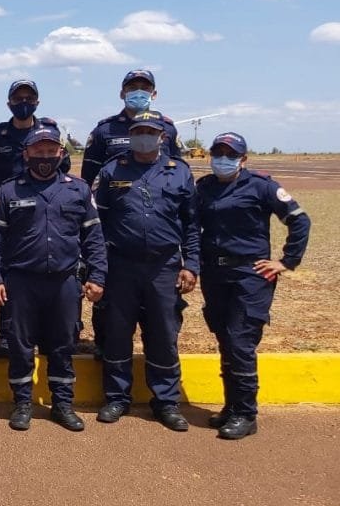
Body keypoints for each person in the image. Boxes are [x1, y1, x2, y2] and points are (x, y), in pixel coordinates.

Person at [0, 127, 107, 432]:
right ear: (26, 154)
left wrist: (98, 275)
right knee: (20, 345)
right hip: (21, 282)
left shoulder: (78, 190)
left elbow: (93, 238)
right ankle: (23, 403)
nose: (44, 157)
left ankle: (62, 404)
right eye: (37, 151)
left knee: (63, 344)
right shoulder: (9, 191)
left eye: (51, 151)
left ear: (61, 154)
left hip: (64, 282)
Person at [195, 132, 311, 439]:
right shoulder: (204, 188)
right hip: (215, 274)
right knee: (224, 339)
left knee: (240, 341)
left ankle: (247, 414)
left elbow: (300, 220)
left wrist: (286, 261)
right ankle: (232, 407)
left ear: (243, 159)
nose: (223, 158)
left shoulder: (262, 185)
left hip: (251, 275)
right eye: (218, 152)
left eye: (230, 154)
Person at [94, 112, 199, 431]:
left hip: (164, 267)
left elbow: (192, 224)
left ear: (162, 137)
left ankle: (166, 401)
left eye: (150, 132)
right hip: (120, 265)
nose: (144, 136)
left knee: (164, 335)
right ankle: (116, 397)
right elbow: (96, 224)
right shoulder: (112, 170)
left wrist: (192, 264)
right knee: (116, 334)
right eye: (138, 131)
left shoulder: (179, 172)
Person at [80, 69, 184, 361]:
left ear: (154, 93)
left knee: (162, 322)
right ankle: (105, 354)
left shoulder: (168, 128)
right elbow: (90, 179)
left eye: (144, 87)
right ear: (122, 92)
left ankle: (162, 389)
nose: (138, 91)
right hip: (116, 232)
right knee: (111, 311)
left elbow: (176, 175)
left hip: (158, 234)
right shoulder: (104, 130)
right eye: (132, 87)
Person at [0, 79, 70, 358]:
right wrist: (7, 193)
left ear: (37, 102)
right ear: (9, 103)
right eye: (18, 98)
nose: (23, 102)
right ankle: (7, 334)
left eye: (29, 98)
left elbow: (61, 167)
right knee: (9, 270)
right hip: (12, 205)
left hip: (45, 204)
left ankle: (46, 334)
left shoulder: (49, 131)